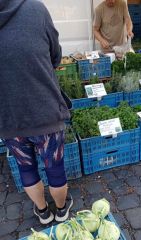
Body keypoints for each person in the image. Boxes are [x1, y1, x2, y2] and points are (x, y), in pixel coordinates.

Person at [0, 0, 73, 224]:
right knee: (55, 167)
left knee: (26, 167)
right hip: (45, 111)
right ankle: (61, 209)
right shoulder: (35, 9)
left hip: (8, 116)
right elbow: (55, 54)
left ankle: (42, 211)